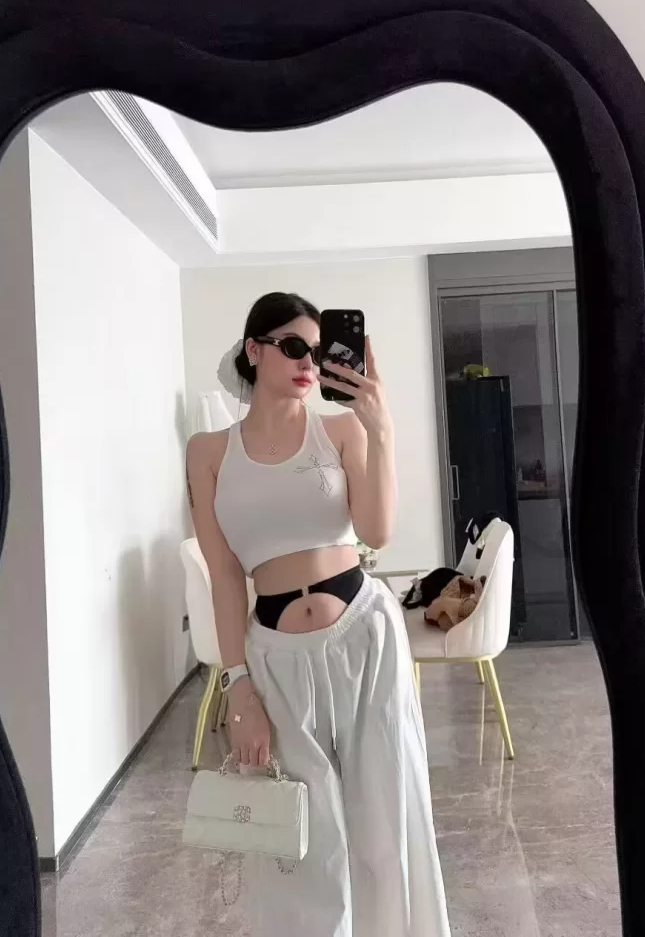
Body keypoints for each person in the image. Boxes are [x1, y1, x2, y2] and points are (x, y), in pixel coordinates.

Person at [186, 292, 450, 937]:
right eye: (293, 347)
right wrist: (237, 687)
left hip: (364, 635)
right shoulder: (209, 451)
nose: (310, 362)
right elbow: (225, 577)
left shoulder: (341, 431)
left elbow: (378, 532)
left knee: (385, 820)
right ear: (254, 351)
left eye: (318, 350)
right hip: (275, 656)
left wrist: (381, 428)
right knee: (300, 842)